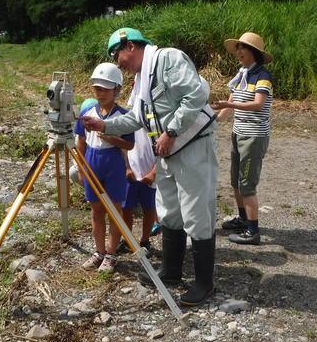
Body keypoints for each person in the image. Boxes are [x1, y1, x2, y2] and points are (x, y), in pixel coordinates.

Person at [78, 27, 219, 306]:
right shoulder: (142, 78)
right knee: (169, 210)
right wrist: (104, 124)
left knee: (196, 210)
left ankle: (205, 283)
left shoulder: (169, 59)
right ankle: (172, 271)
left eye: (116, 55)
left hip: (190, 146)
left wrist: (172, 131)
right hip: (167, 152)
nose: (117, 63)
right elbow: (136, 120)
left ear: (130, 46)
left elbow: (195, 97)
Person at [211, 32, 273, 246]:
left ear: (253, 52)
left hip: (254, 136)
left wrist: (229, 106)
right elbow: (229, 103)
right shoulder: (242, 75)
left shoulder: (262, 76)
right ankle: (243, 219)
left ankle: (253, 232)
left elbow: (258, 104)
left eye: (242, 48)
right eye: (237, 48)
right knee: (235, 181)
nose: (238, 52)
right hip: (238, 134)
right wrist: (213, 121)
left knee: (247, 184)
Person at [74, 63, 134, 273]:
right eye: (97, 89)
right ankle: (99, 251)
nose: (101, 93)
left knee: (114, 210)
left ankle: (111, 254)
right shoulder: (87, 112)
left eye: (106, 89)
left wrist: (111, 138)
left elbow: (129, 145)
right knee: (96, 209)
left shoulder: (123, 116)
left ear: (117, 89)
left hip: (113, 163)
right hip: (92, 160)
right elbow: (81, 142)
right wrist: (81, 168)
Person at [116, 121, 158, 258]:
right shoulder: (130, 121)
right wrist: (127, 167)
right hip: (131, 173)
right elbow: (124, 145)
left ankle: (145, 241)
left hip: (150, 174)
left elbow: (166, 151)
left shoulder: (158, 122)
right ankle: (127, 240)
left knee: (149, 208)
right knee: (126, 207)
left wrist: (153, 173)